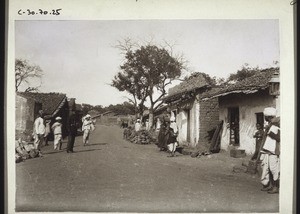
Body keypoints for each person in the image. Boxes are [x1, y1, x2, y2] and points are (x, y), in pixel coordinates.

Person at [260, 107, 280, 194]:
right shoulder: (270, 125)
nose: (264, 118)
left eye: (265, 116)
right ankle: (271, 185)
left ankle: (276, 187)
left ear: (268, 117)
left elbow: (279, 138)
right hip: (268, 150)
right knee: (267, 168)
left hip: (273, 151)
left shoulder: (276, 125)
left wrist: (269, 133)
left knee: (274, 169)